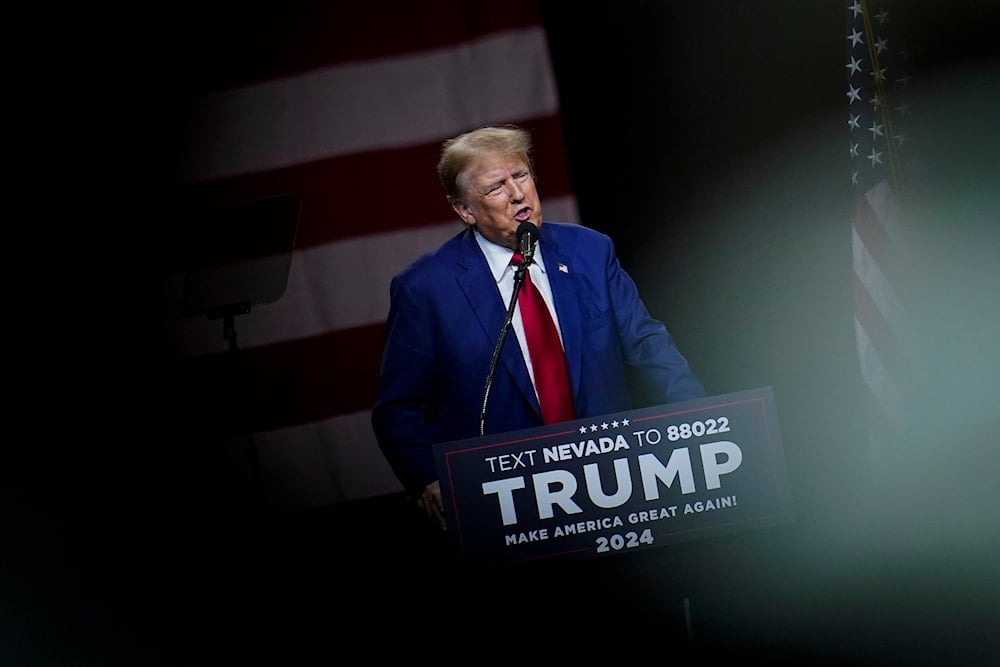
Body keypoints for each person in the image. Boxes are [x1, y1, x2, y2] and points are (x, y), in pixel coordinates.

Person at [372, 124, 705, 533]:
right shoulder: (426, 289)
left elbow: (648, 345)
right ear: (465, 210)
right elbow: (399, 408)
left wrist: (697, 420)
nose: (517, 194)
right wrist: (427, 478)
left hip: (614, 484)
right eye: (496, 187)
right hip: (505, 503)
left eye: (521, 176)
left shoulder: (590, 252)